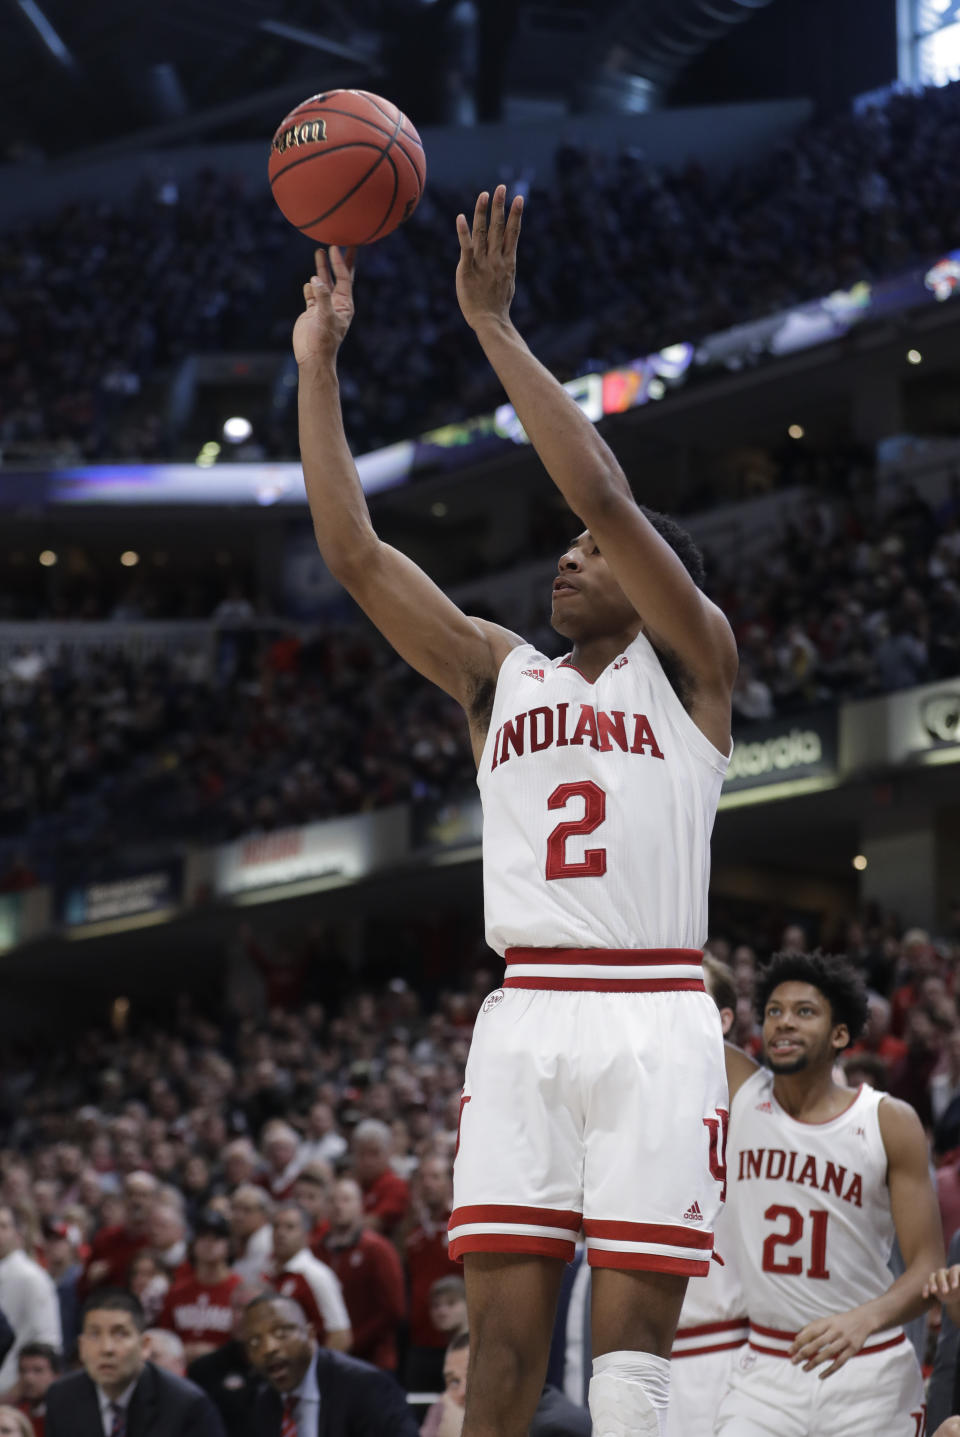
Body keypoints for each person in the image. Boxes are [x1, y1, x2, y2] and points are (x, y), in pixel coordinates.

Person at [293, 182, 737, 1437]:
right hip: (528, 1008)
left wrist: (492, 327)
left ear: (658, 586)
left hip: (656, 1011)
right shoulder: (499, 671)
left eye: (592, 556)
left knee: (633, 1362)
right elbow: (354, 554)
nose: (569, 554)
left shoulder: (696, 665)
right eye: (565, 550)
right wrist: (318, 368)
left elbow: (604, 496)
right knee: (499, 1351)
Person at [715, 950, 943, 1436]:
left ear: (840, 1034)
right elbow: (678, 1020)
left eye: (804, 1012)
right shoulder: (740, 1092)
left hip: (867, 1368)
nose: (784, 1023)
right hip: (768, 1368)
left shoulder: (887, 1120)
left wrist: (864, 1319)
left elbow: (927, 1266)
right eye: (774, 1011)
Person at [666, 956, 747, 1437]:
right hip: (641, 1361)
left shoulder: (764, 1115)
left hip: (732, 1355)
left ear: (724, 1021)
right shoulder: (625, 1112)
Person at [44, 1289, 225, 1436]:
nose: (106, 1348)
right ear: (81, 1347)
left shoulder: (186, 1405)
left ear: (145, 1346)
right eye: (94, 1334)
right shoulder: (61, 1398)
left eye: (120, 1333)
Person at [243, 1293, 419, 1437]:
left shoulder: (366, 1387)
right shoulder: (263, 1403)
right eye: (254, 1342)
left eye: (281, 1333)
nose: (268, 1349)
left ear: (311, 1335)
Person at [422, 1330, 591, 1437]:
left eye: (474, 1378)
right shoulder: (445, 1413)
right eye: (453, 1382)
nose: (462, 1392)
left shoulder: (553, 1425)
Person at [317, 1178, 405, 1371]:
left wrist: (352, 1341)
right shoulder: (316, 1251)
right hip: (327, 1359)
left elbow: (393, 1309)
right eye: (332, 1200)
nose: (338, 1206)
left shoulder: (378, 1250)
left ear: (360, 1205)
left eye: (346, 1200)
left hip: (373, 1360)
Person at [156, 1208, 242, 1364]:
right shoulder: (176, 1291)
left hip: (227, 1370)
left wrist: (214, 1352)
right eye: (202, 1237)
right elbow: (165, 1337)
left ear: (229, 1245)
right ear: (193, 1243)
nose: (209, 1243)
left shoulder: (240, 1290)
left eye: (216, 1237)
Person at [405, 1156, 461, 1391]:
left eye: (435, 1177)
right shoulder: (411, 1231)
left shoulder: (460, 1225)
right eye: (423, 1178)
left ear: (450, 1182)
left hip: (458, 1341)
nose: (428, 1184)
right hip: (420, 1341)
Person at [268, 1203, 352, 1351]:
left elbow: (341, 1336)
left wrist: (315, 1373)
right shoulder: (272, 1272)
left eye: (290, 1227)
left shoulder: (316, 1274)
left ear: (307, 1234)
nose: (280, 1233)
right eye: (276, 1226)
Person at [0, 1208, 61, 1389]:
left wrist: (21, 1388)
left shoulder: (31, 1277)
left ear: (18, 1235)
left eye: (3, 1226)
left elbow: (48, 1339)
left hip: (14, 1386)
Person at [188, 1283, 259, 1437]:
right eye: (237, 1308)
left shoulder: (281, 1369)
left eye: (250, 1308)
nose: (241, 1316)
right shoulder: (203, 1369)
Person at [81, 1172, 156, 1296]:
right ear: (123, 1199)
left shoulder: (158, 1241)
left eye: (143, 1195)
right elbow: (83, 1286)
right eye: (131, 1194)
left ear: (154, 1200)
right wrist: (90, 1279)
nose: (136, 1201)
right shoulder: (105, 1237)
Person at [350, 1120, 410, 1237]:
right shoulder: (351, 1183)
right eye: (362, 1153)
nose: (368, 1161)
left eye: (374, 1153)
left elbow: (372, 1226)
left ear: (388, 1152)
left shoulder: (396, 1186)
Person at [229, 1185, 273, 1287]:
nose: (238, 1216)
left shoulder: (267, 1241)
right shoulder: (234, 1238)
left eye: (247, 1210)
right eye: (234, 1208)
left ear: (264, 1214)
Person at [12, 1342, 59, 1437]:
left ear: (56, 1375)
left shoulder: (68, 1416)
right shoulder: (15, 1415)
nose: (28, 1378)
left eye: (38, 1370)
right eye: (23, 1370)